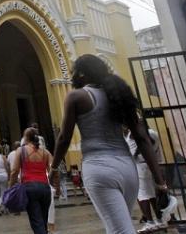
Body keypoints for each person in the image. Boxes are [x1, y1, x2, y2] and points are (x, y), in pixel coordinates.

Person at [49, 54, 177, 233]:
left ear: (83, 74)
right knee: (117, 226)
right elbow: (142, 139)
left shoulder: (76, 97)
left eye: (75, 73)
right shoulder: (119, 96)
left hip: (99, 169)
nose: (73, 77)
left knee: (120, 230)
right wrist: (160, 181)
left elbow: (64, 138)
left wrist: (54, 168)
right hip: (127, 169)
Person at [10, 127, 53, 234]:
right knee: (43, 220)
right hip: (45, 188)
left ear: (26, 138)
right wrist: (55, 185)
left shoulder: (21, 150)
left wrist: (11, 185)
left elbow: (14, 171)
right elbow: (53, 170)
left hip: (29, 188)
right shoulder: (45, 152)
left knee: (36, 222)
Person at [126, 126, 164, 233]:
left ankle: (150, 222)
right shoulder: (153, 132)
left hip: (140, 165)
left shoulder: (136, 131)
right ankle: (159, 219)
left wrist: (135, 154)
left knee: (142, 196)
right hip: (150, 164)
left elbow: (142, 142)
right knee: (151, 195)